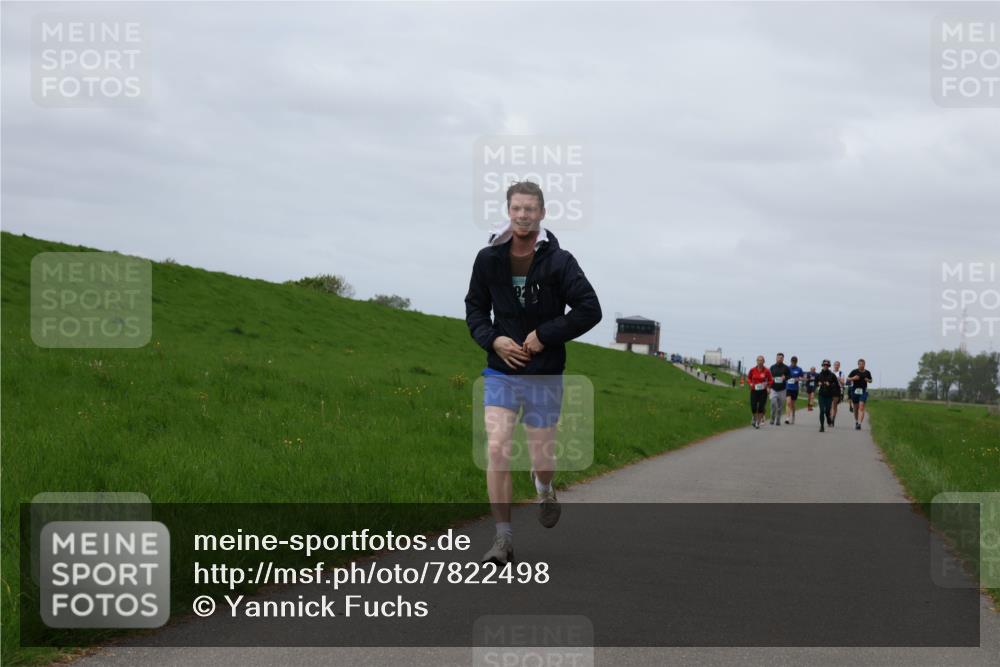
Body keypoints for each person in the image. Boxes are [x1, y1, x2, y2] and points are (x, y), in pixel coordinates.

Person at [465, 181, 602, 565]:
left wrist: (544, 335)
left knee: (542, 458)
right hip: (502, 372)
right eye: (517, 208)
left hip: (544, 373)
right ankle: (503, 540)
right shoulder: (488, 258)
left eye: (530, 209)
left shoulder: (560, 261)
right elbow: (475, 309)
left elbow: (589, 308)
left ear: (541, 213)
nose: (523, 215)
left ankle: (543, 487)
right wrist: (494, 340)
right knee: (496, 448)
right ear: (508, 211)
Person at [746, 356, 773, 429]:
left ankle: (758, 422)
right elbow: (748, 378)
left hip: (763, 391)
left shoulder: (767, 371)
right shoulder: (752, 370)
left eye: (761, 360)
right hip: (754, 390)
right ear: (756, 361)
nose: (760, 362)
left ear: (764, 362)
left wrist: (768, 386)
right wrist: (750, 383)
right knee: (753, 407)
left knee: (761, 407)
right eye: (758, 360)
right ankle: (754, 418)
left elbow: (771, 380)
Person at [847, 359, 873, 430]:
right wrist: (853, 378)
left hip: (863, 391)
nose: (861, 365)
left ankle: (859, 423)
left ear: (864, 364)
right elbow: (848, 379)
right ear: (858, 364)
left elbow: (871, 380)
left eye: (863, 364)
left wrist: (868, 380)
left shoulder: (867, 372)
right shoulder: (854, 371)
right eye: (860, 364)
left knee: (861, 407)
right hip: (855, 391)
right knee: (855, 408)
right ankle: (856, 421)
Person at [815, 360, 840, 432]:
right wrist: (818, 383)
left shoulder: (832, 375)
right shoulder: (819, 375)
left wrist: (830, 384)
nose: (825, 366)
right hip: (821, 395)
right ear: (822, 365)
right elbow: (815, 383)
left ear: (829, 366)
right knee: (822, 411)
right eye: (824, 365)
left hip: (829, 395)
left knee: (827, 411)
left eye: (827, 365)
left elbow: (837, 385)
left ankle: (829, 419)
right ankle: (822, 426)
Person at [769, 352, 791, 426]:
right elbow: (769, 376)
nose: (779, 359)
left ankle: (778, 419)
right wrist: (771, 378)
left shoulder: (786, 367)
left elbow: (789, 376)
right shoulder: (772, 367)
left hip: (782, 389)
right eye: (778, 357)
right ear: (776, 358)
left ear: (783, 359)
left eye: (781, 358)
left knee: (780, 406)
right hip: (774, 388)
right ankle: (772, 418)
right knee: (773, 403)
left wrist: (785, 377)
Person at [784, 355, 804, 424]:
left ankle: (793, 416)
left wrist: (798, 379)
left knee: (792, 404)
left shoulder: (799, 369)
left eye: (795, 362)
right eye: (792, 362)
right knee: (788, 403)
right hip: (788, 387)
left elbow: (802, 377)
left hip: (795, 388)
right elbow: (784, 376)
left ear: (796, 362)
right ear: (791, 361)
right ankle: (787, 418)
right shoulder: (787, 368)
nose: (793, 363)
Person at [830, 360, 845, 426]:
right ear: (833, 365)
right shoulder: (830, 372)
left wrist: (839, 379)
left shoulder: (841, 373)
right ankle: (830, 417)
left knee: (834, 405)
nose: (836, 366)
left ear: (839, 366)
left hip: (837, 389)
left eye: (838, 365)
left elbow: (843, 383)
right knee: (829, 405)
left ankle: (833, 419)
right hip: (830, 389)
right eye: (835, 365)